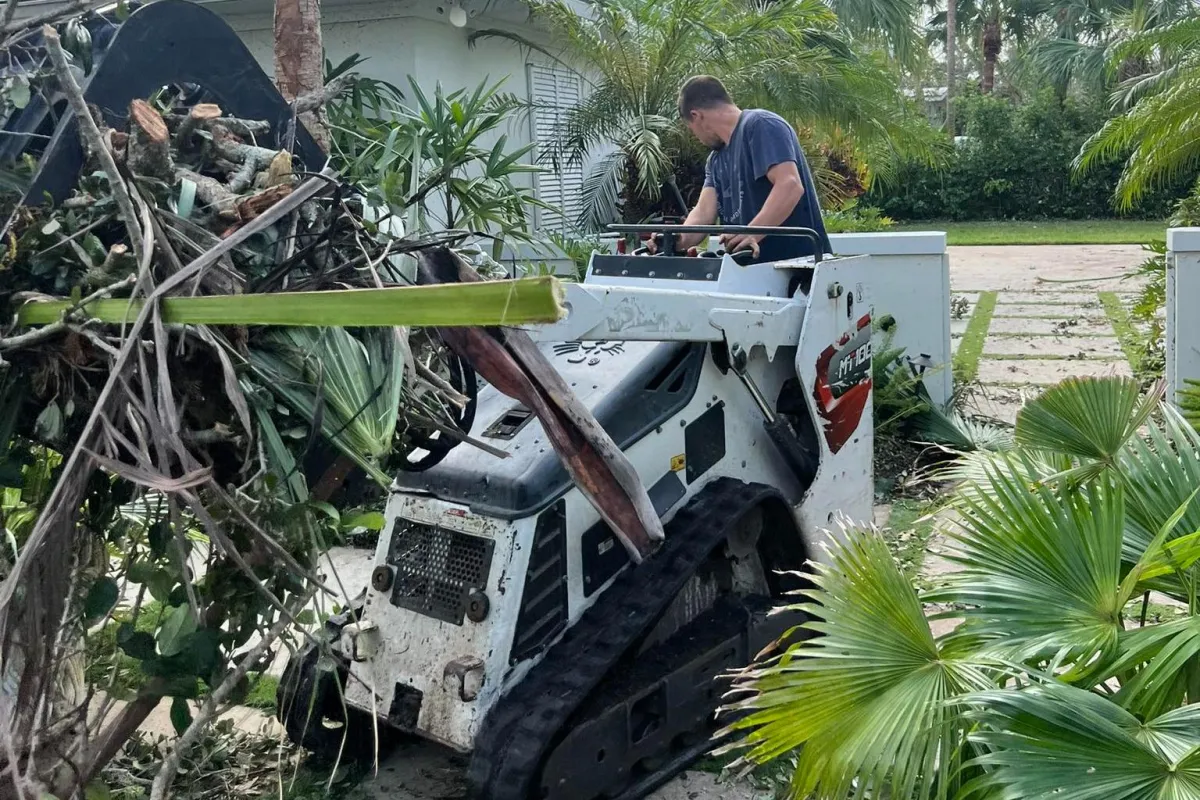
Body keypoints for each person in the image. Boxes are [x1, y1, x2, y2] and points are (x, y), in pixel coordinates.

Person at [653, 75, 831, 263]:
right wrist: (674, 240)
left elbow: (790, 185)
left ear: (697, 116)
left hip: (796, 269)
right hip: (749, 272)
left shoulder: (761, 124)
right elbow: (704, 212)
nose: (696, 137)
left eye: (691, 129)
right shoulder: (715, 160)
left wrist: (752, 232)